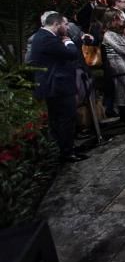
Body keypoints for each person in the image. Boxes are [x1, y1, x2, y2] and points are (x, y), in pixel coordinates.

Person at [29, 12, 87, 162]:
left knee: (61, 120)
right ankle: (67, 152)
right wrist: (69, 42)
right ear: (56, 24)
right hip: (57, 86)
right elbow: (71, 53)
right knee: (65, 119)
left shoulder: (44, 36)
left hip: (55, 85)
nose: (67, 27)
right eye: (65, 24)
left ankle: (66, 149)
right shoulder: (48, 39)